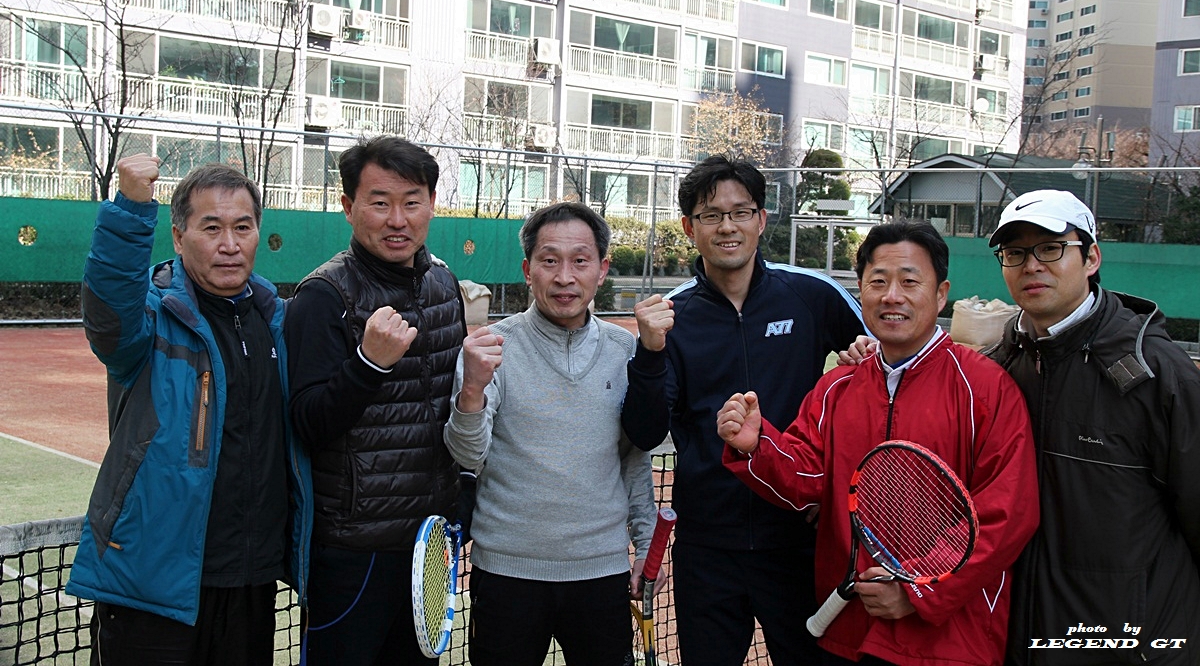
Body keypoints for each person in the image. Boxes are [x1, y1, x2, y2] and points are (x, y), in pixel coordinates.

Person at [717, 219, 1040, 666]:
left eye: (910, 281)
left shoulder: (986, 387)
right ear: (862, 291)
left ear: (941, 294)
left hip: (949, 642)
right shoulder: (837, 387)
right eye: (878, 281)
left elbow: (1006, 513)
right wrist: (757, 446)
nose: (892, 296)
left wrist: (919, 589)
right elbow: (808, 479)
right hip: (850, 631)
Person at [620, 155, 866, 666]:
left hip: (799, 541)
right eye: (711, 215)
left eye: (741, 212)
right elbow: (644, 432)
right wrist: (649, 353)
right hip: (708, 549)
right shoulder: (673, 317)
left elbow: (884, 373)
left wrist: (863, 358)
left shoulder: (813, 295)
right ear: (689, 228)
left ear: (762, 220)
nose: (727, 226)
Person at [67, 155, 311, 666]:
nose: (230, 244)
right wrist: (130, 211)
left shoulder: (276, 321)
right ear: (179, 238)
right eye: (211, 228)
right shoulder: (151, 319)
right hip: (153, 585)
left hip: (251, 579)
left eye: (242, 227)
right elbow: (108, 313)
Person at [983, 190, 1200, 663]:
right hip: (1022, 641)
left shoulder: (1159, 373)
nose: (1031, 265)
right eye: (1015, 253)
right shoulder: (996, 371)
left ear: (1092, 258)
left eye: (1051, 248)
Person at [444, 202, 656, 666]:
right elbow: (467, 455)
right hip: (506, 574)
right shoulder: (491, 349)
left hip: (601, 574)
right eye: (549, 260)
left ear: (602, 269)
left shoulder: (625, 349)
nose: (564, 277)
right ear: (527, 270)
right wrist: (472, 391)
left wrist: (645, 545)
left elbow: (634, 458)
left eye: (580, 261)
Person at [285, 136, 467, 666]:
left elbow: (452, 408)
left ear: (431, 204)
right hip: (352, 551)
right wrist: (368, 365)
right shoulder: (324, 296)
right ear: (349, 207)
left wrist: (463, 492)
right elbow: (306, 423)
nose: (397, 220)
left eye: (412, 202)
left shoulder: (444, 284)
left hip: (430, 544)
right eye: (380, 202)